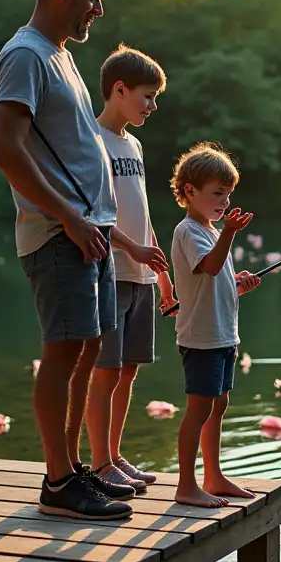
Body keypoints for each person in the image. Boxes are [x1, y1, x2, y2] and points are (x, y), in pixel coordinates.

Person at [0, 0, 168, 521]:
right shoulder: (24, 56)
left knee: (88, 349)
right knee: (62, 353)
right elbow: (7, 151)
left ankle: (76, 471)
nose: (98, 9)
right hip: (57, 234)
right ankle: (59, 481)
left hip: (89, 233)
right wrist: (67, 214)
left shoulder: (60, 57)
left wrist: (90, 217)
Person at [83, 45, 175, 493]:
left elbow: (141, 210)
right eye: (147, 96)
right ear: (119, 90)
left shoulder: (134, 144)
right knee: (105, 368)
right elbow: (94, 212)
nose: (153, 106)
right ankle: (99, 464)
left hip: (140, 273)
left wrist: (161, 273)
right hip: (109, 271)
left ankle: (116, 455)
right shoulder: (91, 139)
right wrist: (131, 250)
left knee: (128, 369)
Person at [169, 143, 261, 508]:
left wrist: (238, 284)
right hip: (201, 339)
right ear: (190, 192)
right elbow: (207, 267)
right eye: (217, 194)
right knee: (199, 409)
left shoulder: (210, 231)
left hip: (223, 336)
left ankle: (213, 475)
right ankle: (186, 484)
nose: (224, 201)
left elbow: (215, 280)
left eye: (228, 194)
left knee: (218, 404)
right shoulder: (189, 230)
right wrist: (229, 234)